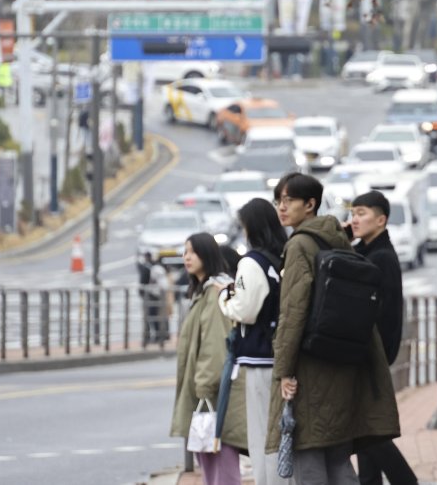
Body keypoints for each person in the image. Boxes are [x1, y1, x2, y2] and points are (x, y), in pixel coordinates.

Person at [266, 173, 400, 484]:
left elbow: (293, 312)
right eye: (278, 201)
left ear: (310, 204)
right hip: (343, 360)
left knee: (309, 454)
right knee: (338, 455)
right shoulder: (338, 240)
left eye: (288, 200)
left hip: (310, 366)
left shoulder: (299, 244)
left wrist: (284, 370)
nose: (281, 207)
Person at [218, 198, 291, 485]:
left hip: (259, 356)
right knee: (284, 432)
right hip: (283, 352)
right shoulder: (282, 257)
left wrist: (225, 298)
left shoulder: (251, 262)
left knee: (263, 435)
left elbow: (244, 310)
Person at [347, 190, 418, 485]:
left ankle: (406, 481)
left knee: (369, 431)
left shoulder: (382, 257)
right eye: (352, 213)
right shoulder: (367, 252)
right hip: (367, 353)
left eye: (361, 213)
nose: (354, 219)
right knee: (366, 430)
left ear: (381, 220)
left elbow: (384, 314)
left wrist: (375, 354)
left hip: (370, 354)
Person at [169, 232, 247, 485]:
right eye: (185, 251)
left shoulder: (214, 293)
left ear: (208, 254)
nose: (187, 257)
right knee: (209, 457)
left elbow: (215, 346)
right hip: (208, 390)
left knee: (220, 458)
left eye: (193, 252)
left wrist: (203, 387)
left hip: (213, 392)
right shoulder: (204, 291)